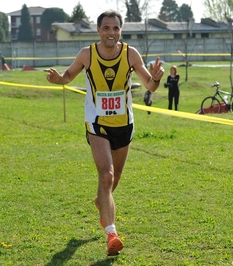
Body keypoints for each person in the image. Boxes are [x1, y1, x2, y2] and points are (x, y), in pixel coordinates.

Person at [44, 10, 164, 256]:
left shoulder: (131, 54)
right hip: (96, 124)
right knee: (106, 176)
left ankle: (102, 202)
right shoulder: (86, 54)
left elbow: (149, 84)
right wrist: (58, 79)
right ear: (98, 30)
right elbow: (68, 76)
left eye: (116, 28)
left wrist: (156, 79)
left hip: (124, 124)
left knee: (115, 178)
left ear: (121, 30)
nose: (111, 32)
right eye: (106, 28)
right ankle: (111, 234)